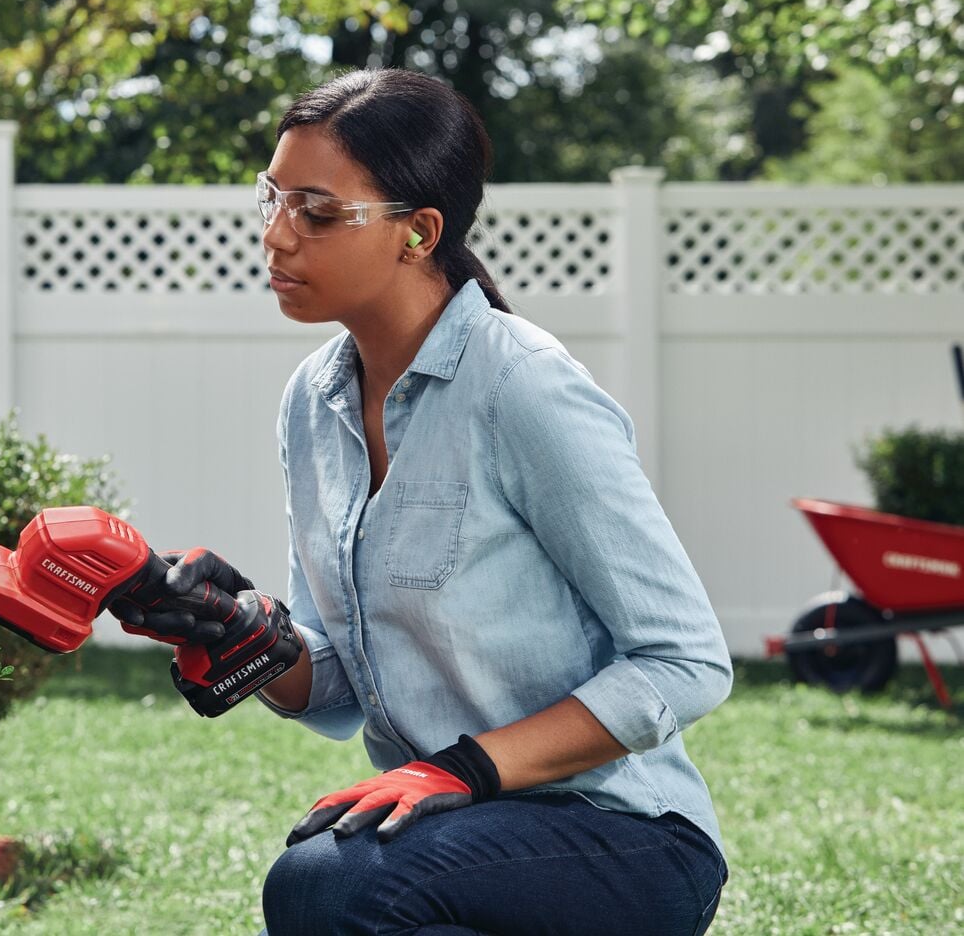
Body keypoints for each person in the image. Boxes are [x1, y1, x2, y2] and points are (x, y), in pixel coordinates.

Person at [116, 68, 732, 936]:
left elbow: (684, 662)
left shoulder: (522, 386)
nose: (276, 236)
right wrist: (239, 630)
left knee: (328, 887)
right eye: (273, 199)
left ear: (419, 232)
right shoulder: (312, 400)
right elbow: (338, 680)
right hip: (454, 829)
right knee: (330, 892)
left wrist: (462, 770)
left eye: (316, 212)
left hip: (624, 833)